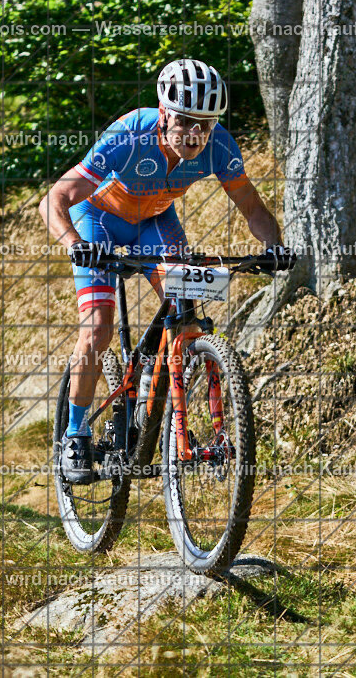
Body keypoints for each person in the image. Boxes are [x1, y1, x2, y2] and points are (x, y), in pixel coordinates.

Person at [38, 59, 294, 483]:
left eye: (206, 124)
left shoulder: (219, 145)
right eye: (186, 121)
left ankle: (155, 392)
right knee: (98, 327)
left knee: (185, 303)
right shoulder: (130, 134)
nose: (196, 134)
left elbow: (251, 206)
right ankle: (75, 434)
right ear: (163, 112)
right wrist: (76, 245)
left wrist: (275, 249)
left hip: (155, 221)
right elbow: (56, 198)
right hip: (97, 220)